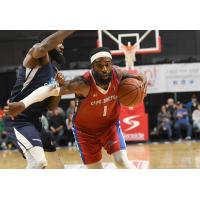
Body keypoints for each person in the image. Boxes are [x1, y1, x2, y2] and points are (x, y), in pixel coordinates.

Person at [5, 47, 147, 169]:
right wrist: (23, 103)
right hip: (85, 132)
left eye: (107, 64)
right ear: (92, 66)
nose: (104, 69)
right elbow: (50, 89)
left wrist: (142, 83)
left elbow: (139, 78)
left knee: (121, 160)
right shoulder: (82, 84)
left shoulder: (117, 74)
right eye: (99, 65)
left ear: (111, 64)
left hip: (110, 127)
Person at [4, 30, 75, 169]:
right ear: (50, 42)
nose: (62, 46)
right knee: (38, 162)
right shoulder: (36, 56)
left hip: (35, 122)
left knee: (57, 167)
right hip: (19, 119)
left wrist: (58, 89)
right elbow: (42, 47)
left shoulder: (54, 72)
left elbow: (51, 107)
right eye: (59, 42)